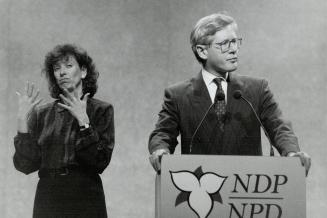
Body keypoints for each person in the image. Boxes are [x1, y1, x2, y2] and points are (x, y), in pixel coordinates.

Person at [148, 12, 311, 175]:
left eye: (235, 42)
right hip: (201, 188)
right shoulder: (178, 95)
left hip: (248, 187)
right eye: (225, 44)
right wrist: (160, 150)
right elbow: (163, 133)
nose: (233, 49)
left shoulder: (257, 89)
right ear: (202, 51)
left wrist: (291, 152)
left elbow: (279, 127)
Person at [13, 44, 114, 217]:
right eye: (56, 68)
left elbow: (99, 162)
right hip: (49, 195)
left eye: (68, 66)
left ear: (83, 72)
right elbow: (25, 165)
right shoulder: (41, 113)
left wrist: (84, 122)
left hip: (85, 194)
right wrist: (22, 122)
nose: (62, 72)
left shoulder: (100, 110)